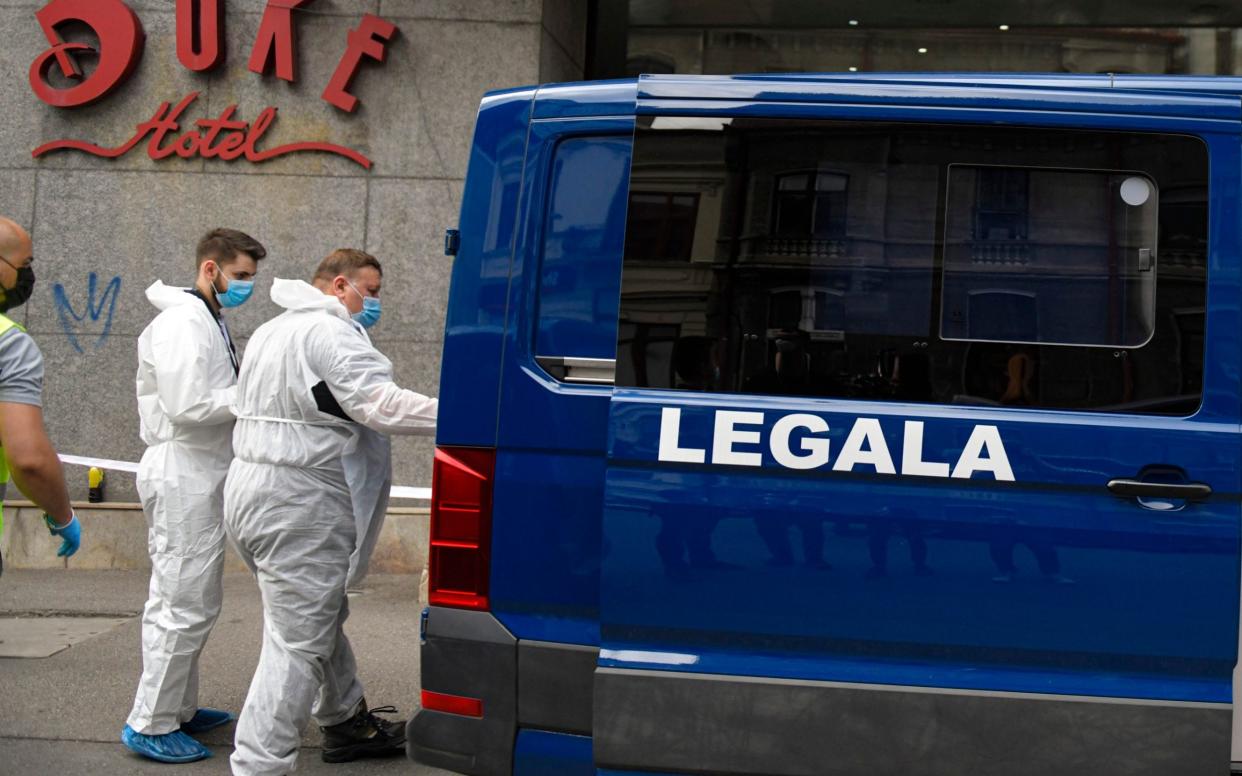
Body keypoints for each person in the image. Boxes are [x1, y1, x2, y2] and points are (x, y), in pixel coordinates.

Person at [224, 249, 437, 775]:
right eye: (374, 289)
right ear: (341, 285)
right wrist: (469, 413)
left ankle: (344, 720)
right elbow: (378, 403)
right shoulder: (329, 330)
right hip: (298, 501)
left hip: (251, 491)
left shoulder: (275, 331)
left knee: (316, 617)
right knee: (297, 641)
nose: (376, 302)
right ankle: (259, 764)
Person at [122, 228, 267, 764]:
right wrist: (253, 393)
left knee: (187, 597)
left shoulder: (206, 319)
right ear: (211, 269)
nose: (246, 286)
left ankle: (177, 708)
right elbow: (188, 404)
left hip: (198, 470)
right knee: (183, 600)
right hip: (184, 467)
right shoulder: (183, 322)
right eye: (242, 275)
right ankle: (151, 722)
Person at [0, 217, 80, 573]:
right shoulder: (9, 344)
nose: (29, 275)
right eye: (26, 264)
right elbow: (29, 459)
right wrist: (62, 514)